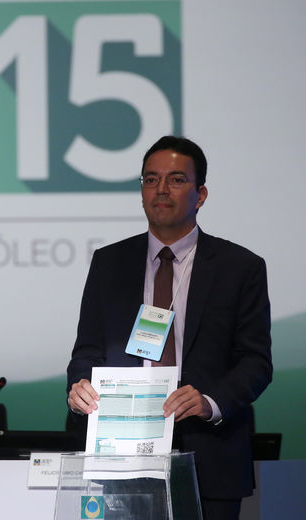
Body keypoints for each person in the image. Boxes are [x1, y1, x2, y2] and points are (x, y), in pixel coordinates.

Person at [66, 136, 272, 520]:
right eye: (150, 179)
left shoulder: (239, 267)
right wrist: (78, 386)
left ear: (201, 194)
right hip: (121, 460)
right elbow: (87, 351)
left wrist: (210, 402)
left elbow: (256, 362)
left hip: (208, 454)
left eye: (176, 179)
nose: (160, 189)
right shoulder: (109, 263)